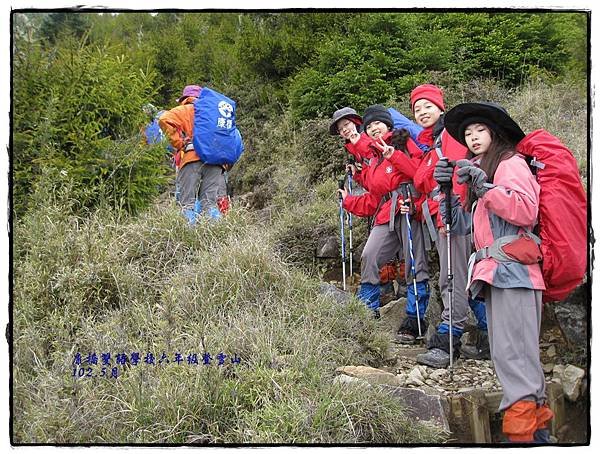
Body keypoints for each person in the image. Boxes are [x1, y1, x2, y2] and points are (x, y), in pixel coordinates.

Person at [437, 102, 553, 443]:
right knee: (515, 352)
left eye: (479, 131)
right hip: (497, 273)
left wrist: (484, 187)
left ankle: (523, 435)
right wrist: (448, 195)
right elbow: (462, 228)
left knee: (513, 353)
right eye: (468, 134)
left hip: (515, 272)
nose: (472, 138)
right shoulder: (483, 170)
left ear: (495, 134)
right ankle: (538, 429)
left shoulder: (510, 164)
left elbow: (524, 209)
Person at [409, 84, 489, 367]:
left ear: (441, 107)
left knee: (451, 277)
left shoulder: (450, 137)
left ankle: (448, 340)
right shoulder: (432, 143)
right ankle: (488, 334)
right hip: (451, 214)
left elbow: (457, 178)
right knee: (464, 276)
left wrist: (448, 217)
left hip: (454, 216)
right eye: (417, 109)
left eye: (427, 106)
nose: (422, 112)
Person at [337, 105, 430, 335]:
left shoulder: (402, 142)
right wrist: (348, 201)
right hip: (386, 211)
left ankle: (414, 319)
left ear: (388, 125)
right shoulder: (373, 158)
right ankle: (368, 311)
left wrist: (394, 155)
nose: (374, 128)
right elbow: (374, 198)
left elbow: (420, 173)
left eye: (377, 123)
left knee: (414, 262)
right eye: (369, 126)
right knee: (370, 255)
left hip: (409, 206)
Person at [158, 85, 228, 223]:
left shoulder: (184, 110)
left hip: (191, 158)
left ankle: (188, 241)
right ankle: (214, 239)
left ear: (185, 99)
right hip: (215, 161)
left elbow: (163, 120)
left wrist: (179, 143)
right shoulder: (214, 112)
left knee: (187, 204)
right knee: (209, 205)